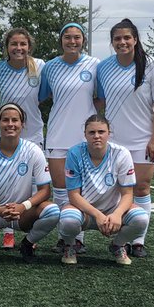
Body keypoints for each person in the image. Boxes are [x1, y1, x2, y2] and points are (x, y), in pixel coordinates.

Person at [95, 19, 154, 257]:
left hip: (142, 140)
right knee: (118, 190)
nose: (122, 42)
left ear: (135, 40)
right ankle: (121, 238)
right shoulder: (104, 67)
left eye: (127, 38)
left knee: (142, 188)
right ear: (112, 42)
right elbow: (99, 101)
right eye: (117, 39)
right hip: (114, 142)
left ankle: (137, 240)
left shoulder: (152, 66)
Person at [0, 102, 60, 261]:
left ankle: (27, 244)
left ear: (22, 124)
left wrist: (23, 206)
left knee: (53, 211)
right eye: (5, 120)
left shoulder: (33, 151)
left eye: (15, 120)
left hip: (23, 213)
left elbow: (45, 191)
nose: (10, 124)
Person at [38, 22, 99, 253]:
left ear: (83, 40)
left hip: (84, 138)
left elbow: (101, 98)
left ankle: (78, 238)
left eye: (77, 37)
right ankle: (66, 238)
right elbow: (40, 96)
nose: (72, 42)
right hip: (57, 135)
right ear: (61, 40)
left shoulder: (94, 65)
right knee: (61, 189)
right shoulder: (50, 67)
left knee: (80, 190)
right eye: (67, 38)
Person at [57, 114, 149, 266]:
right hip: (85, 211)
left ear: (109, 133)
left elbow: (127, 194)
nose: (97, 136)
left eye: (101, 132)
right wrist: (98, 215)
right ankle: (70, 246)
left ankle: (118, 245)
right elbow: (73, 196)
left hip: (112, 210)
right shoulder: (75, 153)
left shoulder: (121, 154)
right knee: (67, 220)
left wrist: (117, 214)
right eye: (91, 132)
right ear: (85, 135)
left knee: (141, 219)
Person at [0, 27, 45, 248]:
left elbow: (44, 95)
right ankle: (7, 232)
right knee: (8, 183)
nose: (18, 48)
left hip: (33, 133)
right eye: (14, 44)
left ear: (29, 46)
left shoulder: (40, 67)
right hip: (7, 132)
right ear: (7, 47)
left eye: (23, 44)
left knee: (33, 185)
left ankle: (31, 236)